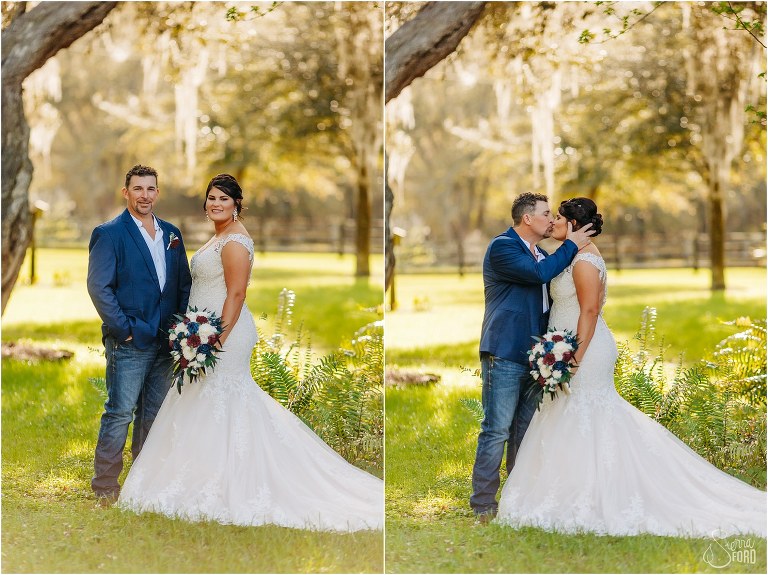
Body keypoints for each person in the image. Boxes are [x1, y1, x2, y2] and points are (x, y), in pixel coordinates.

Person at [117, 174, 383, 531]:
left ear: (237, 204)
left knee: (222, 400)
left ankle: (231, 482)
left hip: (223, 334)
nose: (216, 204)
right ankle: (201, 476)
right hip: (202, 332)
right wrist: (196, 335)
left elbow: (237, 294)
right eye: (211, 198)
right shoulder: (220, 236)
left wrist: (213, 342)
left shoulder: (236, 241)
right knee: (201, 402)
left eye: (224, 199)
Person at [495, 198, 766, 537]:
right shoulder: (568, 255)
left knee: (586, 414)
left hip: (584, 349)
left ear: (575, 226)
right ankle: (576, 488)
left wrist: (574, 356)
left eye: (560, 219)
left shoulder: (584, 260)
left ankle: (597, 493)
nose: (554, 223)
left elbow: (590, 311)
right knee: (567, 414)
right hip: (567, 345)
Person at [471, 193, 595, 522]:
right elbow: (539, 275)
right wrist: (570, 243)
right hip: (506, 350)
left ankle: (516, 498)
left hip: (536, 355)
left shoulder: (539, 251)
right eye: (545, 214)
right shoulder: (503, 247)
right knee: (496, 429)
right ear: (528, 219)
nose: (551, 219)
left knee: (523, 430)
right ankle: (483, 503)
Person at [87, 164, 192, 505]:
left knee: (154, 416)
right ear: (126, 192)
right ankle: (105, 486)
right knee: (119, 413)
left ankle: (142, 484)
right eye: (138, 189)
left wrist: (179, 331)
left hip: (166, 342)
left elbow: (182, 285)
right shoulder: (110, 233)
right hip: (130, 342)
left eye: (150, 189)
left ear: (157, 193)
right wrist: (125, 331)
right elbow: (99, 287)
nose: (144, 195)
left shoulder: (172, 234)